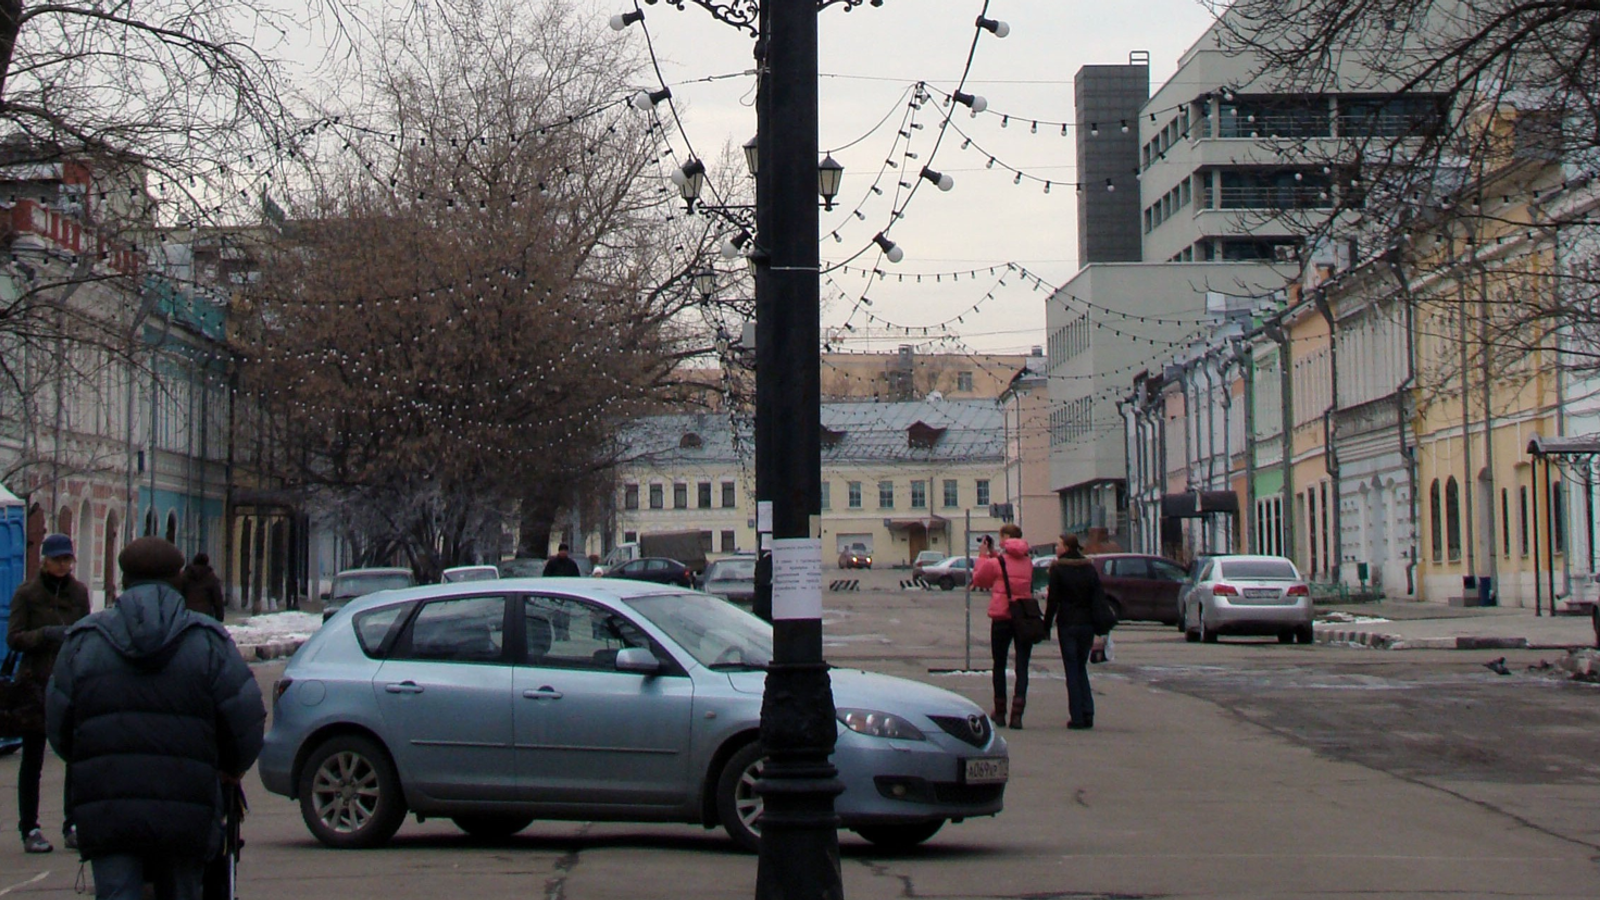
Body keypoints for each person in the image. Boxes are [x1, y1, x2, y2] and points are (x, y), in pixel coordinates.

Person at [45, 537, 265, 900]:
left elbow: (59, 725)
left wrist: (89, 760)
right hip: (188, 807)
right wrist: (228, 768)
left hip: (108, 807)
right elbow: (245, 720)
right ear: (177, 579)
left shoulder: (85, 641)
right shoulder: (207, 640)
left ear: (124, 580)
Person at [6, 532, 91, 854]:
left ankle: (73, 824)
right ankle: (30, 827)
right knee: (33, 759)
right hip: (35, 685)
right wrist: (45, 635)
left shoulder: (79, 593)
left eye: (67, 559)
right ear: (45, 560)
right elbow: (14, 638)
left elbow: (86, 631)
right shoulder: (27, 593)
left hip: (70, 682)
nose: (63, 565)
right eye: (57, 559)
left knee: (74, 757)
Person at [969, 523, 1035, 729]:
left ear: (1006, 538)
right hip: (1022, 617)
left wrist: (983, 556)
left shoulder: (997, 563)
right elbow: (1010, 568)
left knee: (999, 664)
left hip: (1002, 617)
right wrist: (995, 555)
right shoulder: (1028, 562)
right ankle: (1017, 714)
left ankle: (1000, 712)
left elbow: (979, 579)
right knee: (1022, 665)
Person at [1043, 534, 1104, 730]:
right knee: (1080, 667)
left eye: (1059, 544)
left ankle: (1077, 716)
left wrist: (1046, 625)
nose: (1056, 548)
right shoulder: (1089, 568)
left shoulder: (1059, 569)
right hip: (1086, 624)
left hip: (1068, 623)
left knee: (1071, 669)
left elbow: (1053, 600)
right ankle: (1088, 712)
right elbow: (1097, 597)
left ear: (1067, 547)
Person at [177, 552, 225, 621]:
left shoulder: (185, 576)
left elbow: (178, 593)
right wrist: (219, 616)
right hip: (205, 615)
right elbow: (217, 598)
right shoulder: (211, 577)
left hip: (188, 614)